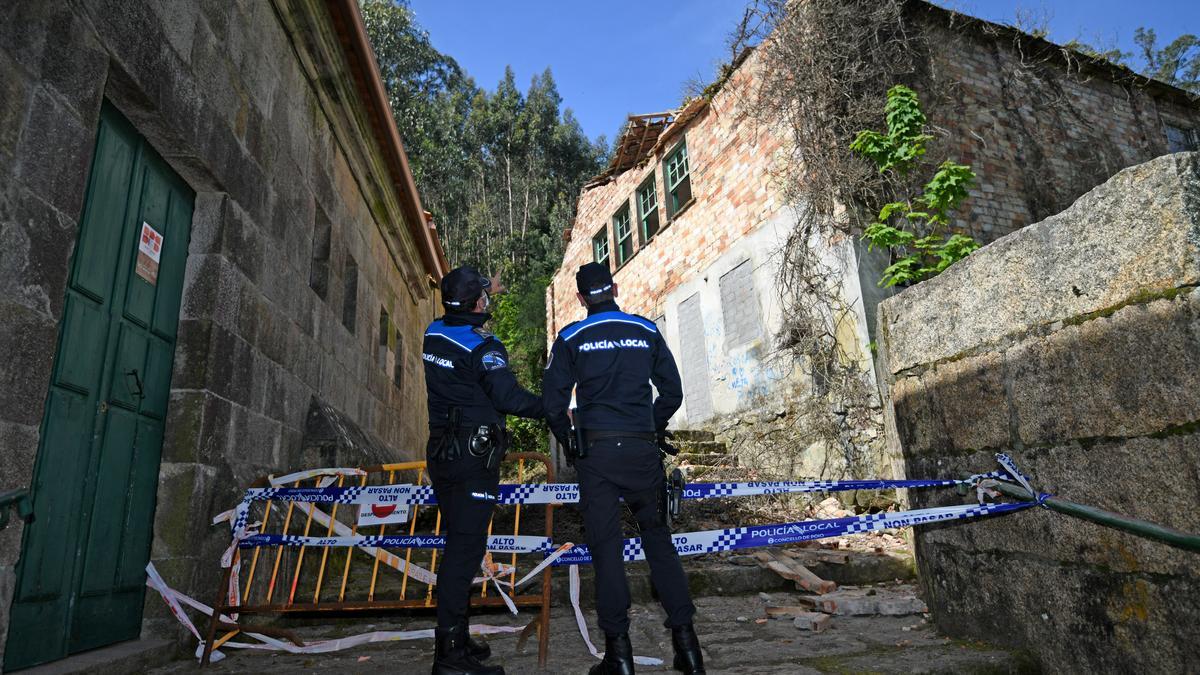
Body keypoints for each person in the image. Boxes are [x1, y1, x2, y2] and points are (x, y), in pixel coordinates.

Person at [542, 263, 705, 675]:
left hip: (597, 455)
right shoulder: (645, 330)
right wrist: (651, 423)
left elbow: (552, 404)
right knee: (659, 542)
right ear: (614, 288)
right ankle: (688, 649)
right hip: (641, 450)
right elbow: (673, 391)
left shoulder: (571, 338)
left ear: (580, 298)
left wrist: (571, 442)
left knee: (606, 550)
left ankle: (620, 655)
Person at [423, 266, 543, 675]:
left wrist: (483, 286)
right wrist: (553, 407)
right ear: (476, 304)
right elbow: (509, 397)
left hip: (442, 454)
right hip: (473, 461)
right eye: (483, 296)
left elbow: (459, 309)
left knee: (459, 547)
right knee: (464, 553)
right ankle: (450, 658)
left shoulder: (433, 333)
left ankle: (458, 637)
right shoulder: (483, 347)